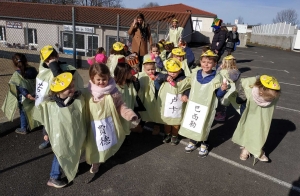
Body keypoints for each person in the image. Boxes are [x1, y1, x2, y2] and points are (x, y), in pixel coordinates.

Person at [33, 72, 87, 188]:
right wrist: (46, 133)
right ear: (58, 91)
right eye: (68, 88)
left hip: (71, 131)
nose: (72, 89)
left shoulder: (74, 98)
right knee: (60, 154)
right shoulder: (52, 104)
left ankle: (70, 168)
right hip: (59, 135)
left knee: (73, 149)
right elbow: (48, 120)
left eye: (73, 86)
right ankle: (54, 177)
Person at [85, 63, 139, 174]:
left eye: (104, 79)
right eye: (98, 79)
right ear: (92, 78)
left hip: (107, 121)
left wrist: (129, 114)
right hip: (92, 122)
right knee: (94, 143)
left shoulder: (113, 91)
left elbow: (120, 105)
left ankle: (101, 158)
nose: (101, 82)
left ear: (108, 77)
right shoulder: (88, 91)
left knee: (104, 142)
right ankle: (96, 162)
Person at [179, 50, 228, 157]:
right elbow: (189, 86)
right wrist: (185, 94)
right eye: (204, 61)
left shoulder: (217, 77)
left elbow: (218, 95)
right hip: (194, 104)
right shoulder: (195, 73)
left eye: (209, 62)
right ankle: (192, 141)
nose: (206, 64)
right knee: (192, 123)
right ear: (200, 62)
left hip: (207, 106)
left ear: (215, 64)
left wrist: (222, 89)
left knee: (204, 125)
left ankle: (204, 144)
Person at [35, 45, 84, 151]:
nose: (49, 61)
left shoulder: (67, 69)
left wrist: (53, 66)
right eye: (47, 60)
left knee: (62, 126)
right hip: (50, 104)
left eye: (51, 58)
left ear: (57, 56)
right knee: (48, 123)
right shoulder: (43, 72)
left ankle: (62, 142)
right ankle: (48, 139)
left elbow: (63, 82)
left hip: (64, 103)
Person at [232, 75, 281, 162]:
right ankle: (246, 149)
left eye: (271, 98)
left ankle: (258, 149)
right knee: (248, 128)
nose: (269, 99)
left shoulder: (273, 93)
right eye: (268, 98)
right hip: (248, 110)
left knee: (259, 130)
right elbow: (239, 100)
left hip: (261, 113)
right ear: (260, 93)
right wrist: (242, 96)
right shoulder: (248, 89)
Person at [155, 58, 191, 145]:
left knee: (176, 121)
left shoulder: (183, 79)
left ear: (179, 71)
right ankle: (167, 134)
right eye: (169, 71)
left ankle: (174, 135)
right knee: (167, 120)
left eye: (174, 72)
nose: (172, 74)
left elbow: (188, 87)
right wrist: (165, 77)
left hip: (178, 104)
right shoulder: (165, 76)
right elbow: (157, 79)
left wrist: (186, 94)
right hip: (167, 104)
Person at [1, 53, 38, 134]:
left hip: (24, 97)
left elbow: (20, 86)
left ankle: (23, 128)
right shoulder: (33, 70)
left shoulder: (17, 74)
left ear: (14, 63)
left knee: (23, 111)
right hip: (34, 93)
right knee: (32, 109)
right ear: (26, 61)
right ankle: (32, 124)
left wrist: (27, 95)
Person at [114, 63, 145, 134]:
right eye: (128, 72)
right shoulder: (115, 85)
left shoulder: (128, 82)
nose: (131, 74)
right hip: (120, 108)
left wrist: (136, 81)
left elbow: (135, 90)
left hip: (128, 106)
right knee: (120, 123)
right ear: (123, 73)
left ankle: (125, 135)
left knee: (126, 122)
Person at [138, 58, 161, 135]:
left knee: (156, 112)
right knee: (145, 112)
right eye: (148, 70)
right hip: (146, 98)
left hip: (156, 97)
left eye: (153, 69)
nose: (151, 71)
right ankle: (140, 126)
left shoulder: (159, 76)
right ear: (144, 69)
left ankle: (157, 126)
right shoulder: (142, 76)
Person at [214, 55, 241, 121]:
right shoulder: (236, 71)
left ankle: (222, 115)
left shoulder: (225, 71)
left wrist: (220, 68)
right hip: (231, 89)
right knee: (225, 103)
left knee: (222, 102)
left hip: (223, 88)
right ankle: (222, 113)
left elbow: (217, 74)